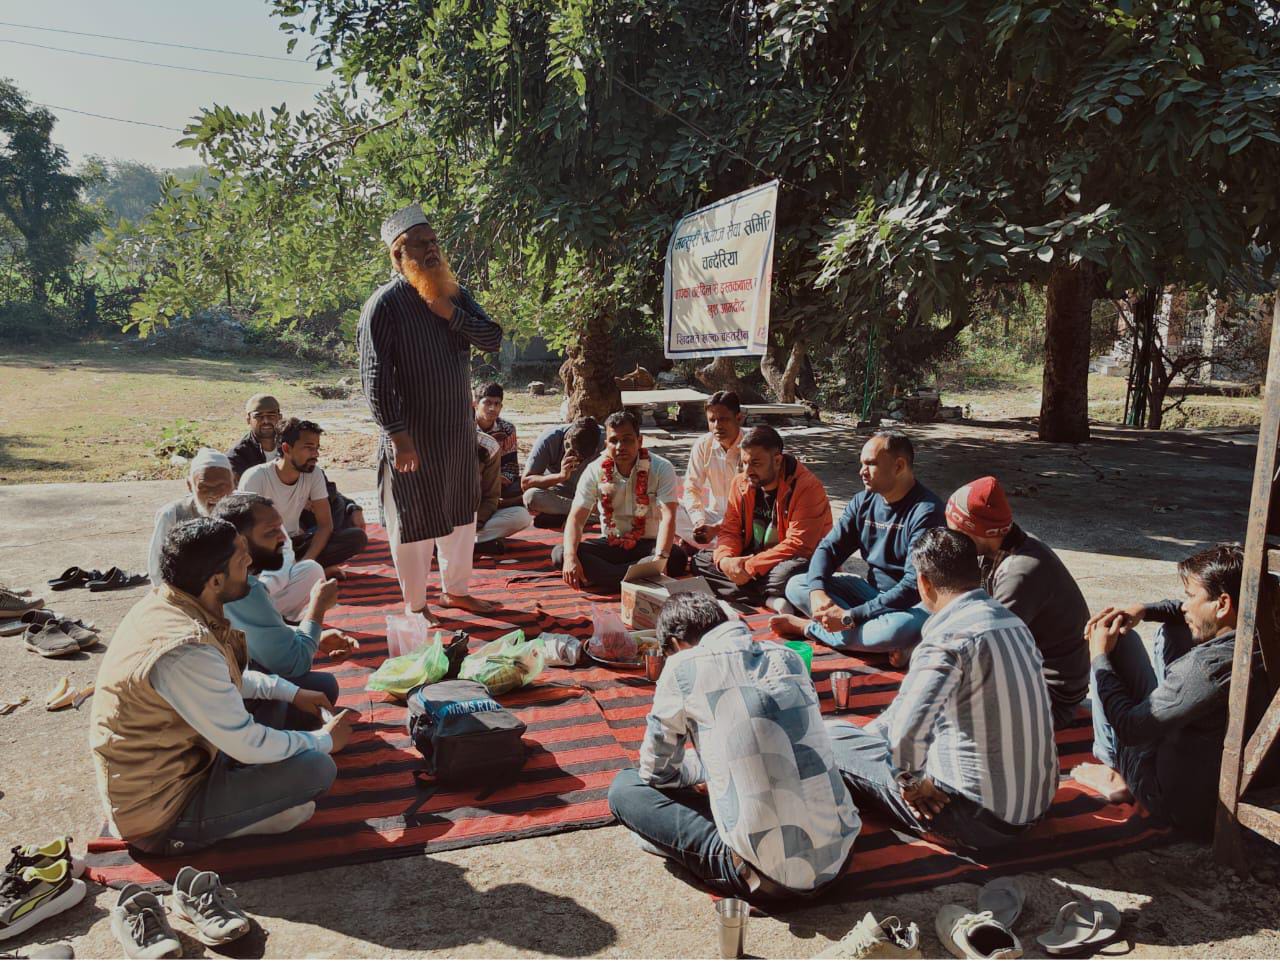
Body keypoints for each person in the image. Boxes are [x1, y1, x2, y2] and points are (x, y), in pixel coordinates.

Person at [90, 518, 355, 854]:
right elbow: (245, 741)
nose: (251, 567)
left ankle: (250, 791)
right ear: (216, 580)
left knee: (298, 695)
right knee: (316, 768)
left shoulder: (172, 602)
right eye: (242, 563)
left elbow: (228, 677)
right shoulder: (184, 650)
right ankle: (202, 830)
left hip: (191, 759)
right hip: (162, 810)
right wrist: (324, 741)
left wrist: (292, 692)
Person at [608, 594, 861, 900]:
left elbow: (657, 772)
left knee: (625, 788)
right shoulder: (788, 657)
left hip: (765, 879)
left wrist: (701, 770)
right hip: (842, 859)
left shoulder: (681, 667)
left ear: (676, 643)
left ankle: (669, 842)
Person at [826, 528, 1057, 853]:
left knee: (828, 741)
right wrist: (871, 739)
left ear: (924, 583)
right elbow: (905, 710)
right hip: (1035, 809)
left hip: (973, 821)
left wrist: (911, 782)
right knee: (861, 737)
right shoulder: (1013, 623)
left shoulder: (948, 637)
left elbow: (908, 734)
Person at [358, 204, 503, 619]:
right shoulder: (384, 305)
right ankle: (416, 605)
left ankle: (456, 592)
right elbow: (374, 377)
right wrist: (398, 437)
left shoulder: (453, 292)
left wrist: (452, 315)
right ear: (397, 255)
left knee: (461, 515)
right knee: (414, 522)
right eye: (420, 244)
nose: (431, 250)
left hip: (456, 434)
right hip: (413, 439)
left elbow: (492, 338)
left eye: (434, 241)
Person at [1073, 543, 1273, 839]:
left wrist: (1099, 656)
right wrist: (1146, 610)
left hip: (1177, 802)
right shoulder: (1266, 628)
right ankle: (1162, 705)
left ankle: (1113, 770)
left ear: (1223, 604)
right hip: (1223, 766)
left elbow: (1129, 728)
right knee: (1172, 627)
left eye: (1191, 597)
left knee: (1118, 646)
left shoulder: (1203, 669)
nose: (1183, 605)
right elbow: (1179, 614)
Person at [772, 430, 945, 658]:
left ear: (899, 466)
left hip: (909, 606)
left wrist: (849, 617)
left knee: (897, 630)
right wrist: (818, 593)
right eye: (862, 463)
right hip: (869, 593)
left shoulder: (927, 511)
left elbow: (913, 586)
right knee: (797, 584)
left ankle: (809, 628)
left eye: (870, 464)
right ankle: (876, 642)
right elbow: (829, 548)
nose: (861, 472)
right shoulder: (863, 500)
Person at [945, 476, 1090, 728]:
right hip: (1028, 674)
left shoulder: (1020, 573)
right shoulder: (1002, 547)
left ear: (976, 530)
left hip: (1050, 699)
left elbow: (985, 647)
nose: (951, 539)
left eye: (955, 532)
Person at [213, 493, 358, 708]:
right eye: (271, 531)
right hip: (220, 698)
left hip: (225, 678)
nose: (282, 537)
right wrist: (317, 608)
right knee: (322, 688)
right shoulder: (243, 588)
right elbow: (294, 664)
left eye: (280, 528)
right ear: (241, 541)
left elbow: (254, 634)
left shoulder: (224, 572)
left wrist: (314, 637)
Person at [147, 449, 324, 621]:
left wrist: (264, 588)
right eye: (204, 487)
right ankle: (259, 622)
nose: (214, 493)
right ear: (189, 485)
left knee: (311, 571)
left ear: (234, 482)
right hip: (200, 605)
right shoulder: (173, 514)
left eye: (222, 486)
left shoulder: (251, 506)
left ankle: (262, 618)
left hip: (253, 592)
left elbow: (284, 550)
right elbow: (158, 571)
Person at [691, 425, 832, 611]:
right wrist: (726, 561)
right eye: (744, 463)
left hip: (790, 560)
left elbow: (800, 545)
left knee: (788, 577)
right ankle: (769, 600)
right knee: (699, 561)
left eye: (756, 463)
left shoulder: (807, 487)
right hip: (756, 560)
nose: (748, 471)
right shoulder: (741, 483)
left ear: (777, 460)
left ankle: (755, 591)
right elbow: (729, 530)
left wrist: (750, 567)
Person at [553, 410, 687, 593]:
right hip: (611, 544)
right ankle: (640, 578)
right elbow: (576, 519)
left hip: (649, 546)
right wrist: (570, 557)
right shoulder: (595, 470)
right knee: (560, 554)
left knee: (675, 557)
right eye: (614, 440)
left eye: (627, 439)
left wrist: (660, 558)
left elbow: (668, 515)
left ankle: (609, 578)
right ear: (606, 443)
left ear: (639, 441)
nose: (620, 446)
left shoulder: (661, 468)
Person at [240, 418, 369, 574]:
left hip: (295, 544)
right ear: (287, 448)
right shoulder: (256, 477)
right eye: (309, 448)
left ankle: (300, 571)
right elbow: (246, 532)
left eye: (316, 448)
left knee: (356, 538)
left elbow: (325, 525)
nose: (315, 454)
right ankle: (301, 573)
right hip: (265, 549)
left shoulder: (313, 473)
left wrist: (306, 562)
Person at [227, 393, 367, 531]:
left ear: (279, 417)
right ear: (248, 419)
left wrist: (350, 506)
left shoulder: (292, 440)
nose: (266, 421)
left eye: (271, 416)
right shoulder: (238, 456)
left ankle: (313, 539)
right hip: (267, 517)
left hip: (301, 511)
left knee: (335, 505)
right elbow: (242, 502)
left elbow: (322, 484)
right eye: (258, 416)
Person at [681, 390, 746, 543]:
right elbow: (691, 488)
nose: (717, 426)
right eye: (712, 420)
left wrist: (718, 527)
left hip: (743, 519)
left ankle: (707, 543)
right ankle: (710, 539)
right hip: (713, 516)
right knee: (669, 507)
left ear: (739, 418)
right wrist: (699, 521)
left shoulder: (751, 446)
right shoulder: (703, 445)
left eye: (723, 419)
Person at [521, 416, 605, 526]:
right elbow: (526, 483)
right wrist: (561, 476)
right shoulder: (550, 438)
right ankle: (589, 516)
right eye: (577, 455)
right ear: (567, 443)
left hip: (592, 495)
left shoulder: (606, 440)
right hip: (561, 494)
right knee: (531, 497)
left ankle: (566, 515)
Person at [475, 430, 533, 555]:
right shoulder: (430, 443)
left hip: (473, 518)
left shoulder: (487, 445)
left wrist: (475, 524)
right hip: (437, 519)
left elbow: (490, 497)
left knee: (521, 516)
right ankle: (474, 544)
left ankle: (466, 542)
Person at [474, 382, 521, 503]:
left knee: (526, 486)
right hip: (468, 480)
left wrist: (497, 480)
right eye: (487, 403)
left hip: (495, 482)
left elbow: (511, 467)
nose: (492, 408)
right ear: (476, 404)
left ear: (501, 406)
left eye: (496, 404)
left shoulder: (507, 429)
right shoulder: (465, 427)